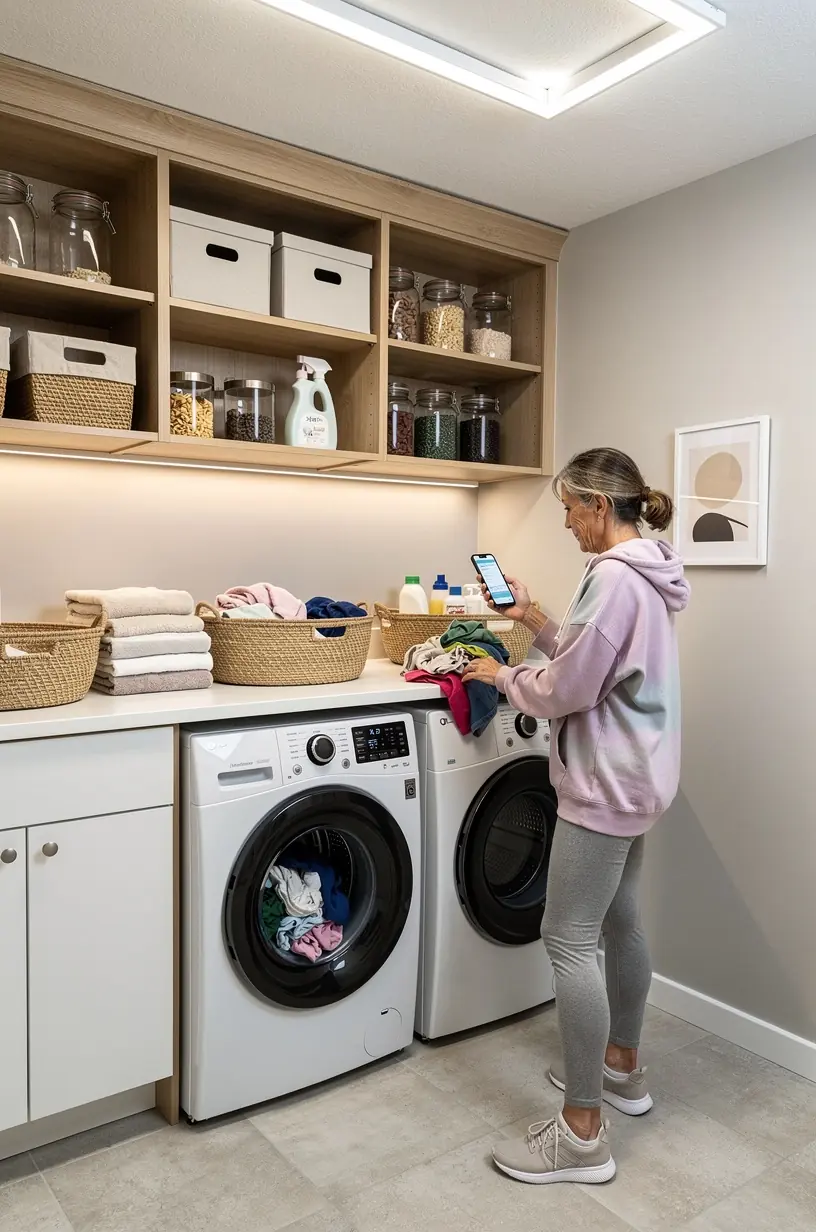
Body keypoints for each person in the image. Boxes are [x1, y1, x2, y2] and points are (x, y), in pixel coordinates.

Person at [463, 447, 690, 1186]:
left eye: (569, 508)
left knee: (567, 940)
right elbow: (597, 663)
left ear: (599, 504)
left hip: (603, 786)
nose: (564, 522)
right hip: (640, 776)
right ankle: (622, 1066)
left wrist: (501, 674)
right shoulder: (646, 571)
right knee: (620, 922)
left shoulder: (617, 579)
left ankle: (583, 1133)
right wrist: (529, 614)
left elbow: (569, 687)